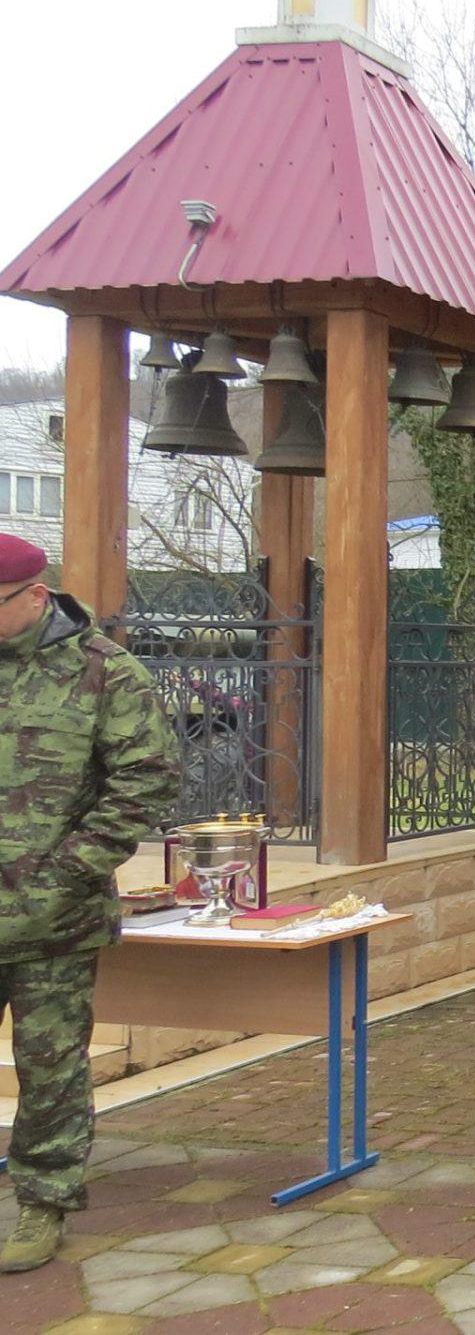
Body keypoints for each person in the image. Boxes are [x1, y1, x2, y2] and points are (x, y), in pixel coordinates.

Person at [0, 533, 176, 1272]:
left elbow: (146, 780)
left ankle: (43, 1201)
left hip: (52, 922)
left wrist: (68, 870)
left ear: (36, 597)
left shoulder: (105, 673)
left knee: (50, 1069)